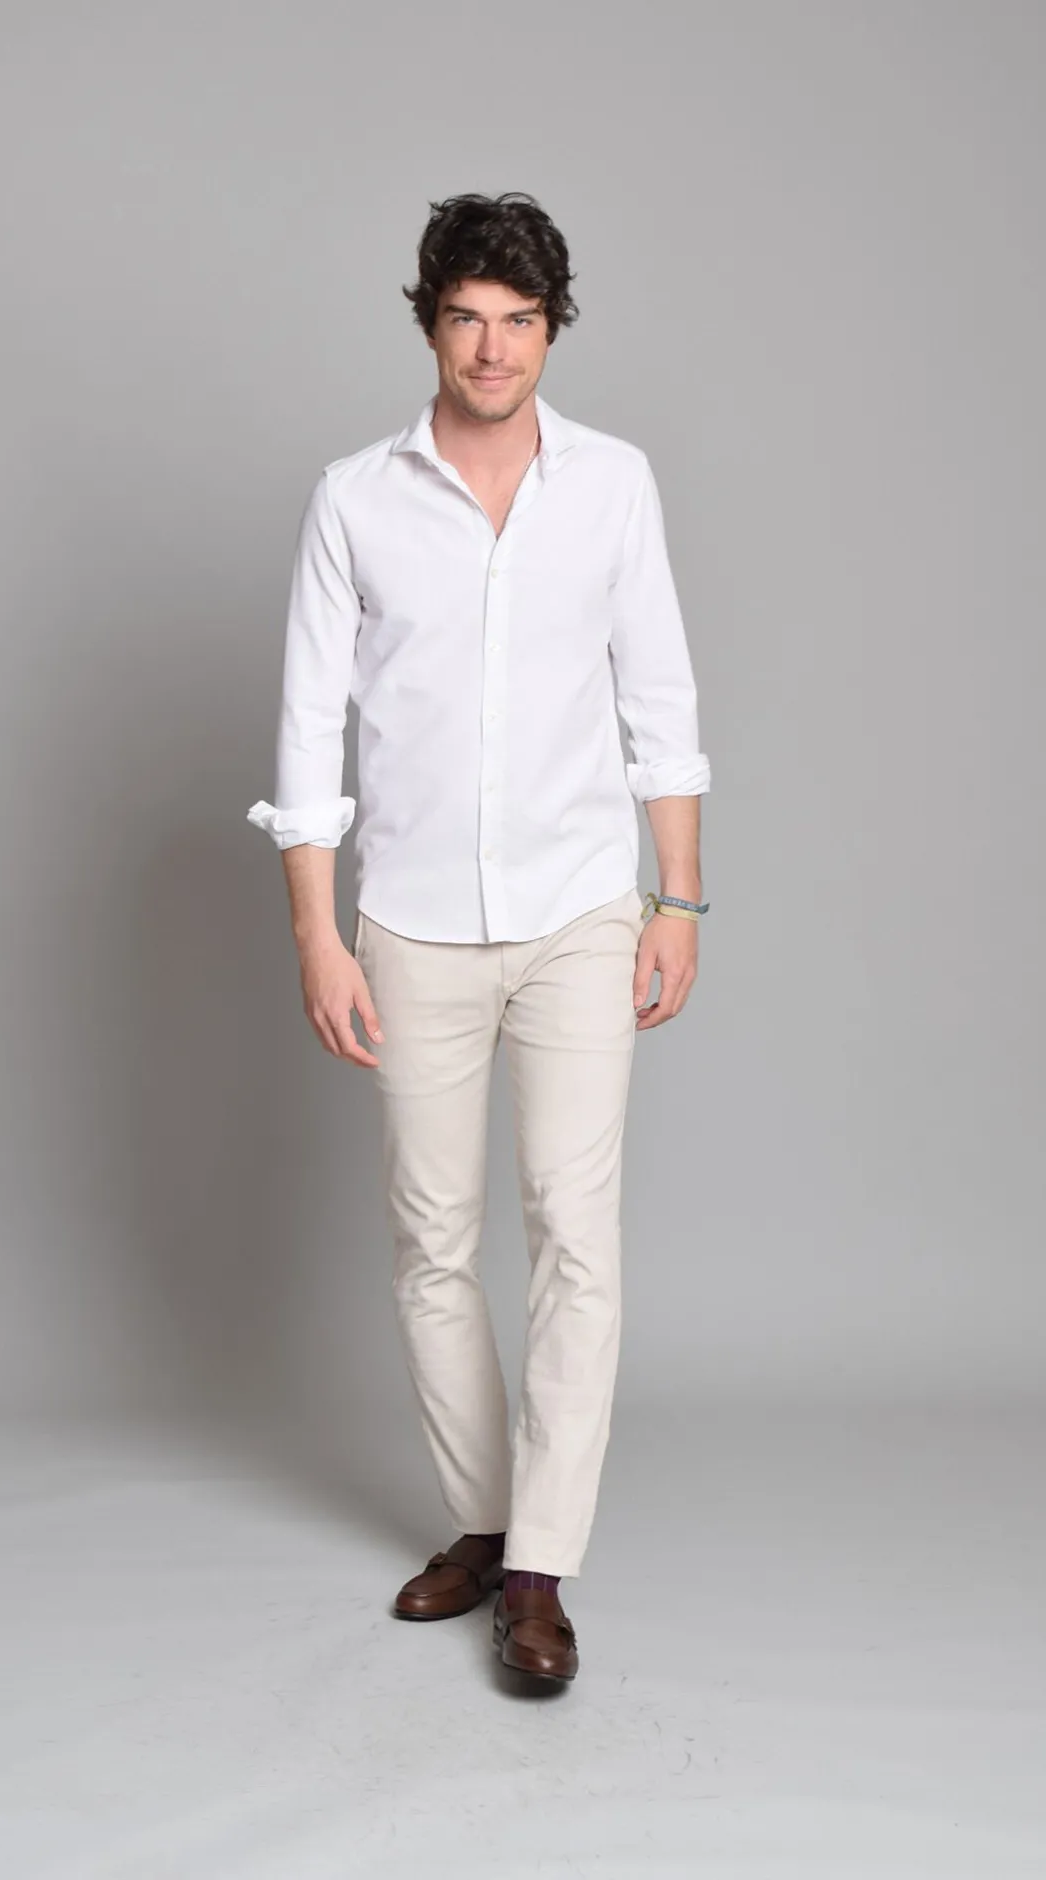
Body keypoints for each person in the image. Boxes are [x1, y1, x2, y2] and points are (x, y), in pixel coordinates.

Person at [247, 191, 710, 1685]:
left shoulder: (615, 485)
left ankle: (540, 1574)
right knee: (432, 1240)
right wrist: (317, 936)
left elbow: (661, 704)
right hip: (413, 923)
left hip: (582, 910)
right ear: (430, 324)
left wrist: (678, 900)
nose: (493, 347)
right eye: (467, 317)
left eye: (520, 320)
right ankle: (486, 1520)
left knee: (576, 1231)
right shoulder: (354, 499)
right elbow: (308, 729)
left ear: (552, 330)